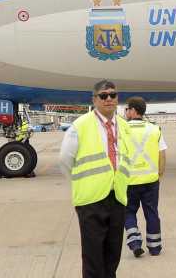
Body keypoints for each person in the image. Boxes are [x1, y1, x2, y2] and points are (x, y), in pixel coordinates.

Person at [58, 80, 134, 278]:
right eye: (103, 95)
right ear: (94, 99)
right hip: (91, 200)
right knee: (93, 258)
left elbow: (128, 157)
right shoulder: (80, 125)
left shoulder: (124, 126)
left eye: (113, 95)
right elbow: (65, 159)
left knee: (113, 254)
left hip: (117, 197)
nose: (109, 99)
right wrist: (81, 183)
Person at [122, 96, 167, 257]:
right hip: (151, 181)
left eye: (127, 109)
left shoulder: (122, 130)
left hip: (128, 181)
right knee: (152, 213)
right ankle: (155, 247)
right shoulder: (155, 130)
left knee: (128, 213)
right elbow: (162, 155)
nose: (125, 111)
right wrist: (159, 175)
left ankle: (134, 243)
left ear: (133, 111)